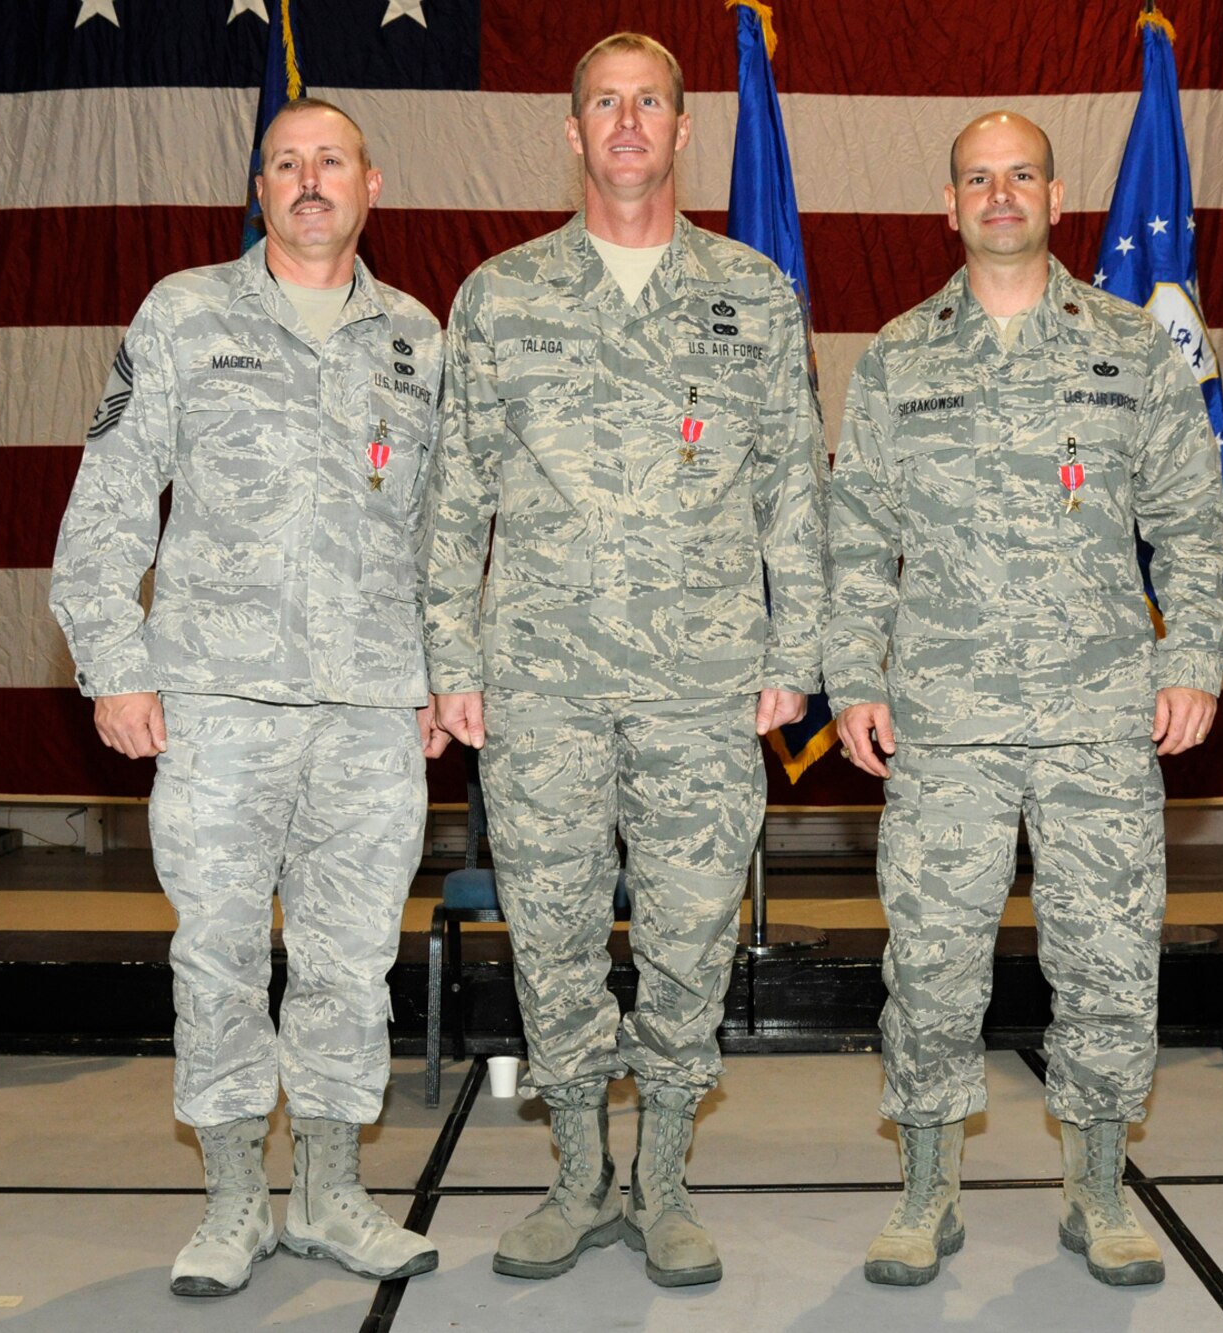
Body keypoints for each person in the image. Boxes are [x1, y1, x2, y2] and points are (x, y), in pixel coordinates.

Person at [422, 32, 826, 1290]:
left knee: (692, 934)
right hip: (539, 675)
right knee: (546, 932)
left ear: (683, 126)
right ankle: (574, 1175)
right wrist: (448, 652)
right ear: (572, 130)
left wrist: (794, 646)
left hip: (703, 680)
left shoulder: (752, 292)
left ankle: (661, 1180)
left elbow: (791, 488)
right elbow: (452, 495)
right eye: (605, 103)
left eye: (650, 101)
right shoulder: (501, 293)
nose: (628, 123)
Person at [826, 111, 1223, 1290]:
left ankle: (1097, 1190)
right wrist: (852, 675)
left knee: (1107, 959)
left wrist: (1190, 659)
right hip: (941, 722)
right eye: (973, 180)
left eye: (1018, 177)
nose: (997, 195)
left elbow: (1192, 525)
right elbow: (856, 537)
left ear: (1056, 199)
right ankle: (924, 1190)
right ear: (947, 207)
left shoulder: (1129, 347)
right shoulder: (900, 355)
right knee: (932, 963)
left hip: (1097, 714)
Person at [49, 98, 446, 1298]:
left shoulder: (419, 341)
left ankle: (329, 1192)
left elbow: (437, 534)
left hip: (372, 709)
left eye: (330, 161)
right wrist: (114, 660)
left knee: (348, 960)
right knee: (218, 956)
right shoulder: (184, 313)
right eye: (285, 163)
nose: (309, 179)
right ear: (259, 188)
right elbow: (110, 495)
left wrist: (442, 676)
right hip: (216, 705)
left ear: (371, 184)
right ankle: (231, 1201)